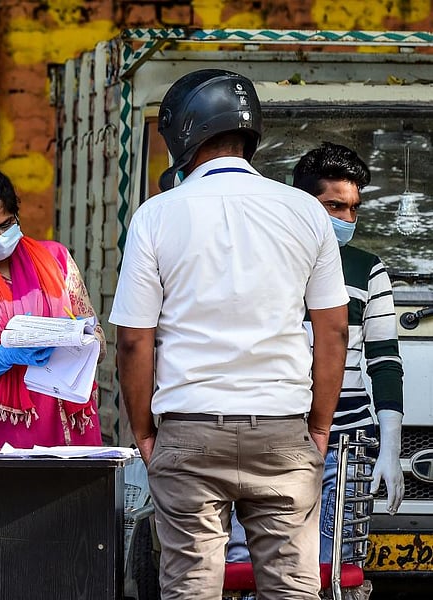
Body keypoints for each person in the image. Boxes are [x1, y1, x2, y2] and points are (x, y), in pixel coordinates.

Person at [109, 70, 349, 600]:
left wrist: (146, 432)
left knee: (192, 588)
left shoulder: (156, 216)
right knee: (292, 589)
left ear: (183, 135)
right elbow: (332, 329)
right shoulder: (305, 211)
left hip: (190, 430)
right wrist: (318, 428)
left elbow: (133, 339)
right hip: (283, 431)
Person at [227, 142, 405, 564]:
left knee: (339, 569)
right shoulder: (265, 262)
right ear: (301, 203)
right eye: (333, 206)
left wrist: (391, 452)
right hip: (272, 437)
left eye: (353, 209)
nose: (346, 219)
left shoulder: (367, 269)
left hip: (347, 445)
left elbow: (384, 363)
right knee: (254, 566)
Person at [0, 155, 105, 448]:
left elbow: (99, 341)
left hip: (70, 426)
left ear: (17, 216)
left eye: (5, 224)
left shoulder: (57, 260)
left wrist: (79, 338)